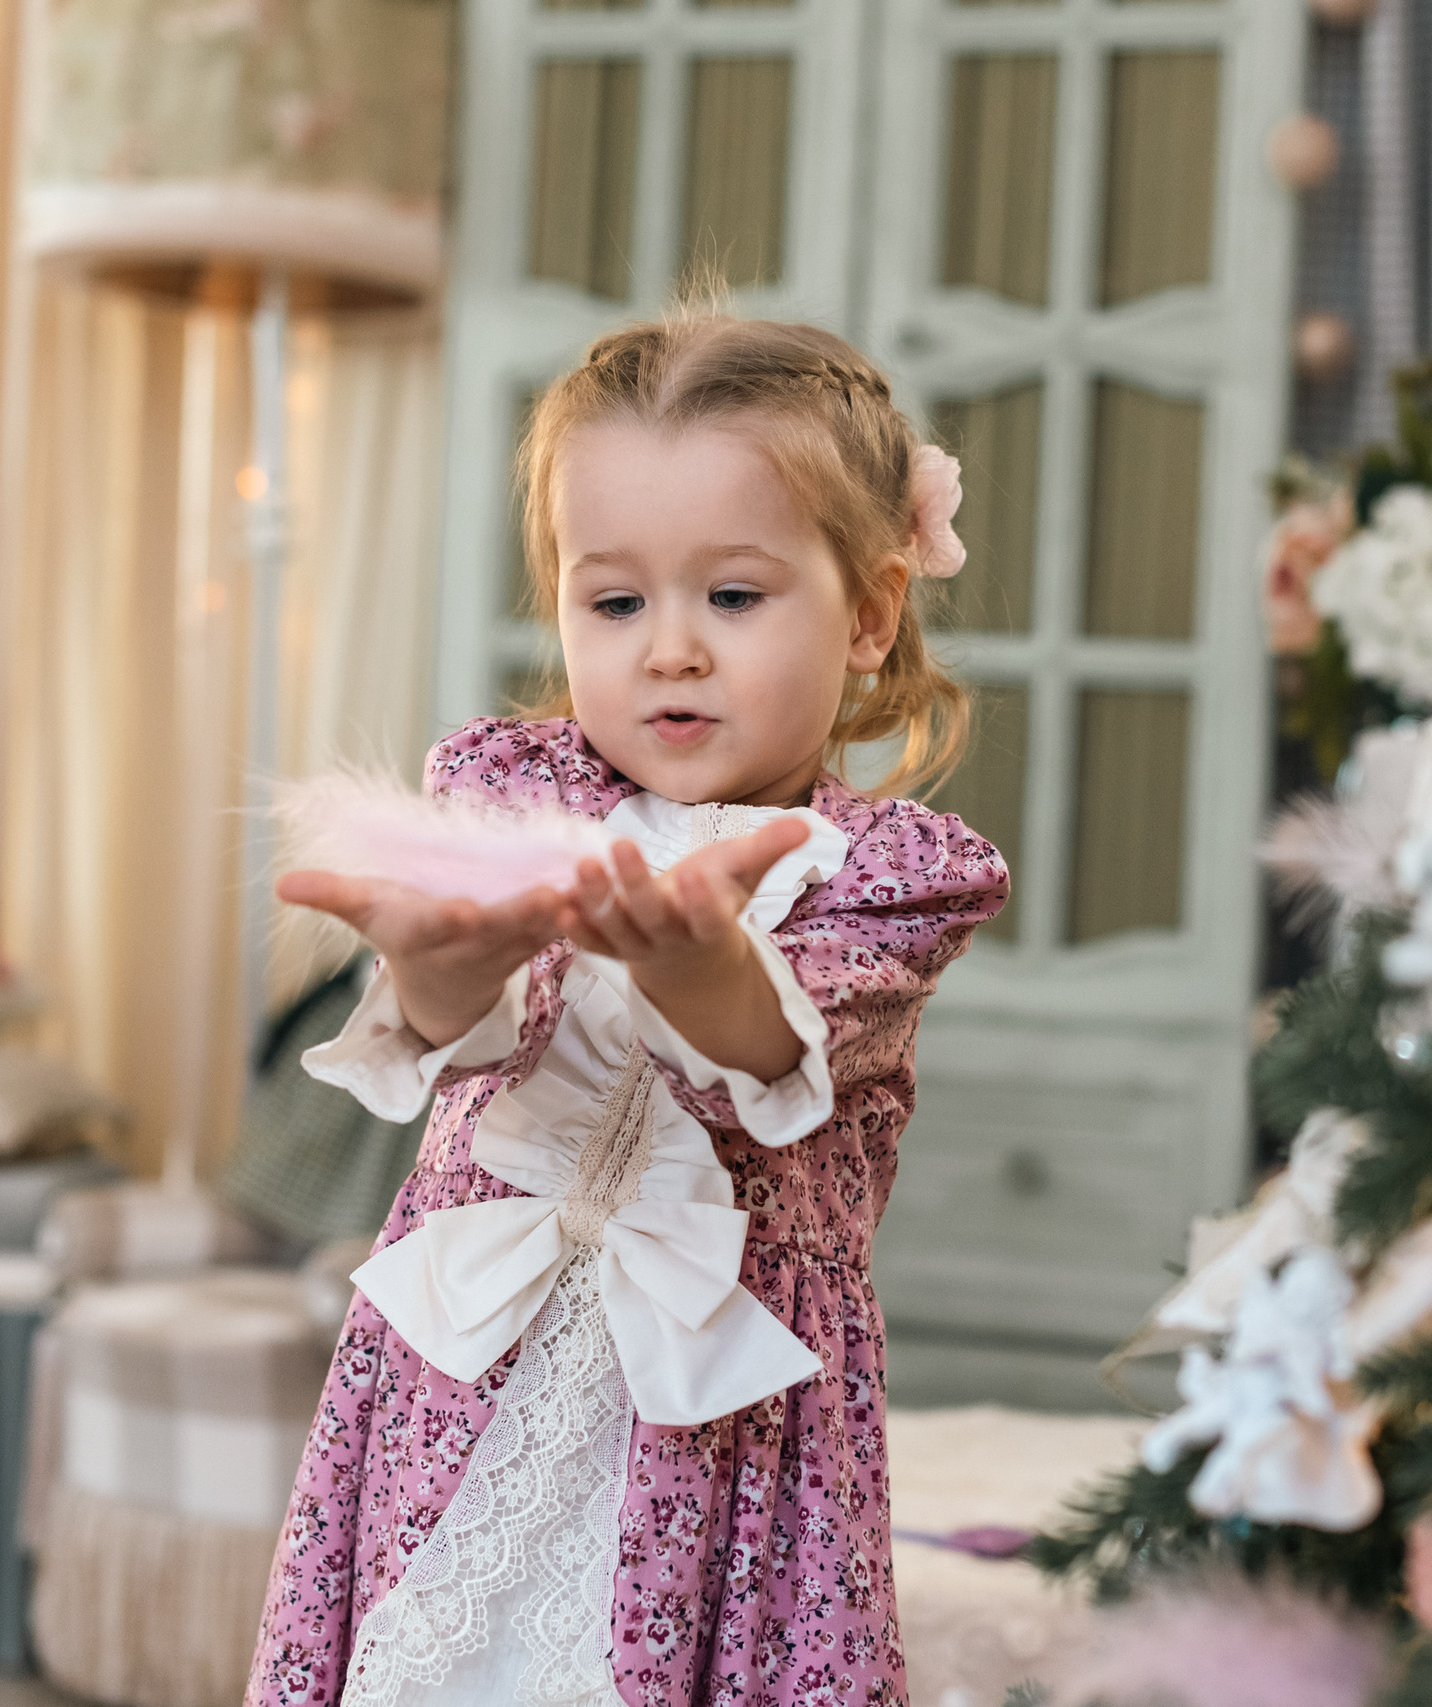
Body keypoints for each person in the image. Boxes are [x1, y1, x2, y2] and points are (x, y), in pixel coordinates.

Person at [245, 311, 1008, 1707]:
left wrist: (696, 965)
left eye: (733, 597)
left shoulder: (889, 877)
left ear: (871, 614)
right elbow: (466, 1032)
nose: (670, 650)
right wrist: (436, 967)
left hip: (715, 1429)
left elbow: (786, 1051)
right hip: (464, 1382)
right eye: (614, 603)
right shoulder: (512, 795)